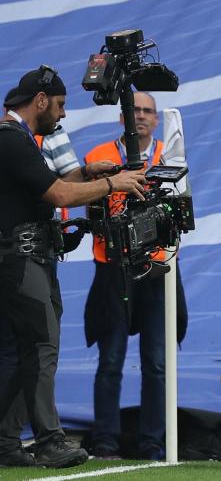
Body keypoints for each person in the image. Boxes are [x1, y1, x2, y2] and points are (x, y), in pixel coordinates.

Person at [0, 66, 146, 468]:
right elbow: (58, 192)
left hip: (30, 258)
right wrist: (113, 184)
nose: (63, 114)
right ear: (41, 101)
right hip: (20, 260)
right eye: (61, 105)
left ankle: (6, 443)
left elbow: (55, 183)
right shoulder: (11, 140)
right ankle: (48, 439)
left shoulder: (22, 140)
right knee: (41, 348)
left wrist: (89, 173)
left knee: (23, 353)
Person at [83, 91, 188, 460]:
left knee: (157, 364)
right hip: (113, 269)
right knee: (110, 361)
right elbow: (89, 210)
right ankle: (105, 443)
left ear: (156, 119)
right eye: (136, 110)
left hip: (158, 269)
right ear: (123, 118)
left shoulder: (171, 157)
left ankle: (153, 445)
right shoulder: (98, 158)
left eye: (148, 111)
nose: (141, 116)